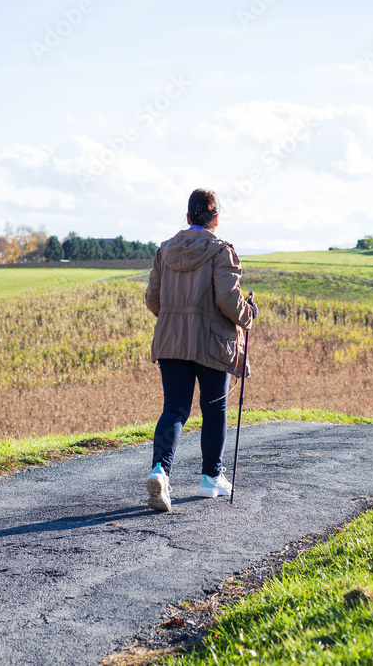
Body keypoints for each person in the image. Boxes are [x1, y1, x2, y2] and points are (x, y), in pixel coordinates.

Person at [144, 189, 258, 512]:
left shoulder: (165, 251)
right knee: (214, 410)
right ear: (215, 219)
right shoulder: (222, 251)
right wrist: (248, 315)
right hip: (213, 343)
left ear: (189, 217)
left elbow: (153, 299)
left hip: (171, 342)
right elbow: (227, 298)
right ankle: (211, 478)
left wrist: (175, 320)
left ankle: (160, 471)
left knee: (175, 408)